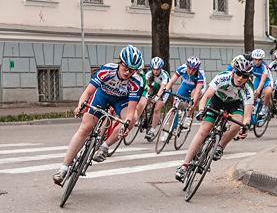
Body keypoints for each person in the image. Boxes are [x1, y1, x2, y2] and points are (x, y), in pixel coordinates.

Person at [52, 45, 144, 184]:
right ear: (120, 62)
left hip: (121, 101)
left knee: (132, 119)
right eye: (126, 67)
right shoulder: (107, 70)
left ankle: (104, 147)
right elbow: (88, 92)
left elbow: (131, 110)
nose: (128, 72)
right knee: (85, 128)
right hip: (102, 95)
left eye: (132, 70)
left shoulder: (136, 82)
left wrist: (126, 125)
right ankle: (63, 168)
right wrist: (80, 106)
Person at [174, 56, 254, 182]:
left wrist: (245, 126)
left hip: (234, 104)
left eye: (244, 76)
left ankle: (220, 146)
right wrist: (201, 111)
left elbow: (247, 115)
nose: (240, 78)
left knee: (237, 125)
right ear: (234, 71)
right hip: (217, 100)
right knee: (204, 130)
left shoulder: (248, 89)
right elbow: (206, 96)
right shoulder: (222, 77)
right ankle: (184, 166)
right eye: (238, 74)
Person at [162, 56, 205, 129]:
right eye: (189, 68)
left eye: (194, 70)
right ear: (187, 66)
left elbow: (197, 91)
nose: (191, 71)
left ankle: (188, 117)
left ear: (197, 69)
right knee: (175, 104)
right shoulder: (182, 68)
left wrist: (193, 102)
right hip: (185, 85)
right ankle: (171, 130)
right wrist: (165, 89)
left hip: (197, 88)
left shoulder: (200, 74)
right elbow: (172, 81)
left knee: (193, 97)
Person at [135, 56, 169, 140]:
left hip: (163, 91)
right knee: (143, 100)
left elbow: (162, 87)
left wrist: (157, 97)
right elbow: (145, 85)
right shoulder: (149, 73)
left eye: (157, 69)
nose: (155, 71)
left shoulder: (164, 74)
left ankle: (152, 131)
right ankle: (141, 117)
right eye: (154, 69)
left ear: (161, 68)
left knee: (157, 109)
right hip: (154, 89)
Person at [250, 48, 274, 118]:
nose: (257, 62)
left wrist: (258, 90)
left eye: (259, 60)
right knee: (253, 96)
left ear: (262, 59)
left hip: (267, 80)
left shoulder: (264, 67)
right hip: (257, 79)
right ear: (253, 59)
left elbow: (263, 81)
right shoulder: (251, 65)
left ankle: (264, 108)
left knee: (268, 92)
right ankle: (253, 109)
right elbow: (249, 76)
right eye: (255, 59)